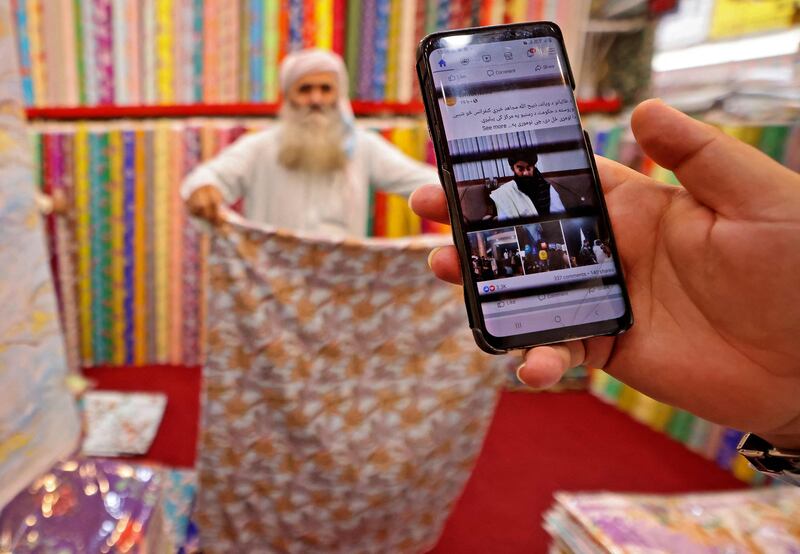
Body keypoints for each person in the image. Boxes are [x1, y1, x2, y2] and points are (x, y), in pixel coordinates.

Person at [411, 99, 800, 452]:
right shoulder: (503, 194)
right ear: (513, 168)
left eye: (529, 166)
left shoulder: (552, 187)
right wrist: (791, 427)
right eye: (519, 167)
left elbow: (566, 218)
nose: (525, 171)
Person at [182, 49, 438, 236]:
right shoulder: (260, 146)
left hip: (337, 283)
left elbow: (418, 180)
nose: (316, 99)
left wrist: (465, 186)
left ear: (338, 95)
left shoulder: (362, 145)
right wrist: (203, 190)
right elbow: (210, 177)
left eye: (325, 89)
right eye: (305, 89)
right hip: (273, 283)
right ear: (289, 96)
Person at [488, 150, 566, 220]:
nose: (525, 173)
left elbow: (560, 217)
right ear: (513, 169)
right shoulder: (504, 193)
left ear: (534, 167)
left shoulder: (546, 188)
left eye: (529, 168)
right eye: (520, 169)